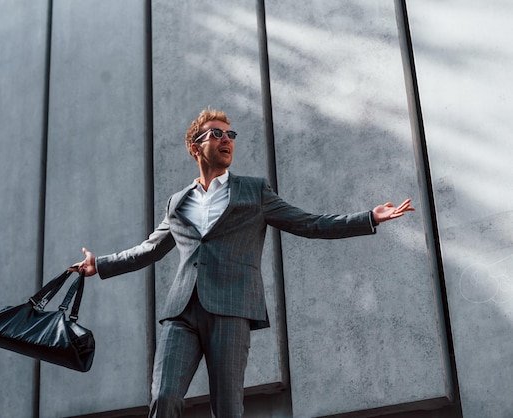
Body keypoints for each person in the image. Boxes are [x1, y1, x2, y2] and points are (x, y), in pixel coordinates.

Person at [72, 108, 414, 418]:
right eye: (216, 134)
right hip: (182, 312)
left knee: (227, 408)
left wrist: (368, 217)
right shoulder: (178, 202)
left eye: (229, 135)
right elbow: (149, 249)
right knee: (164, 396)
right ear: (195, 148)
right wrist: (99, 264)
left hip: (232, 309)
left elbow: (309, 223)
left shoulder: (254, 191)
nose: (226, 140)